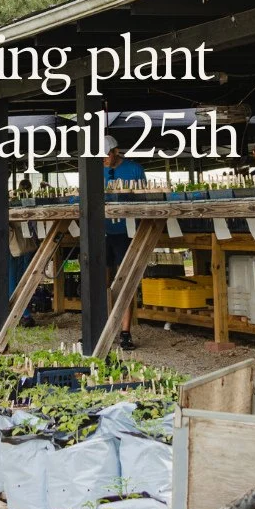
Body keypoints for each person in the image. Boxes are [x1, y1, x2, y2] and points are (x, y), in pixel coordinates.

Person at [104, 135, 146, 350]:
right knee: (100, 280)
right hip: (101, 231)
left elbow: (144, 198)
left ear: (115, 152)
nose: (103, 159)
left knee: (125, 278)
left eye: (106, 154)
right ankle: (101, 328)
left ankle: (125, 331)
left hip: (126, 230)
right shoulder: (95, 170)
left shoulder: (134, 169)